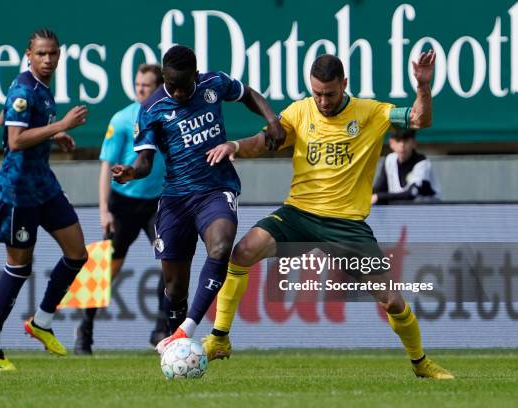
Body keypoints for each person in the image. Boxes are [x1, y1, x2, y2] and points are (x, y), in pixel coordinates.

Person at [203, 51, 454, 379]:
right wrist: (235, 146)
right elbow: (266, 140)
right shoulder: (300, 111)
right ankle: (219, 338)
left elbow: (421, 120)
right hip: (299, 215)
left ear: (344, 84)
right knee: (242, 252)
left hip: (347, 226)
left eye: (330, 94)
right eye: (316, 93)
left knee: (392, 300)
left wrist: (423, 87)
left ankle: (421, 363)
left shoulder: (371, 112)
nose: (322, 101)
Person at [112, 45, 285, 354]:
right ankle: (176, 342)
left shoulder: (212, 84)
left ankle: (186, 329)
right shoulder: (152, 108)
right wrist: (130, 172)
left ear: (195, 74)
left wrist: (271, 118)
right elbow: (145, 163)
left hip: (215, 189)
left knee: (220, 245)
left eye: (184, 85)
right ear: (164, 77)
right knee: (175, 287)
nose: (178, 92)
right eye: (172, 85)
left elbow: (247, 93)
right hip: (176, 198)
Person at [0, 28, 89, 371]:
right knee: (20, 266)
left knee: (77, 252)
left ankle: (41, 322)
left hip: (43, 185)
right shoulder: (25, 87)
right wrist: (59, 126)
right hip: (18, 190)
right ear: (28, 54)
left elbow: (3, 117)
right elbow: (15, 139)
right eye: (41, 54)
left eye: (53, 53)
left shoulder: (37, 88)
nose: (48, 59)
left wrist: (57, 134)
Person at [74, 64, 169, 354]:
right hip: (124, 203)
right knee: (105, 270)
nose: (140, 89)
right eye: (138, 84)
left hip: (157, 201)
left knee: (170, 257)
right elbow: (106, 166)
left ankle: (161, 329)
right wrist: (104, 210)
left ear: (159, 88)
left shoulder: (168, 116)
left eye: (147, 85)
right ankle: (85, 330)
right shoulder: (123, 119)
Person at [372, 129, 440, 204]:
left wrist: (378, 197)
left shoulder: (423, 163)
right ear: (391, 143)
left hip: (428, 211)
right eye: (398, 140)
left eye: (406, 140)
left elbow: (412, 193)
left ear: (414, 143)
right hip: (397, 211)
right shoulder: (389, 160)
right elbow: (379, 189)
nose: (402, 145)